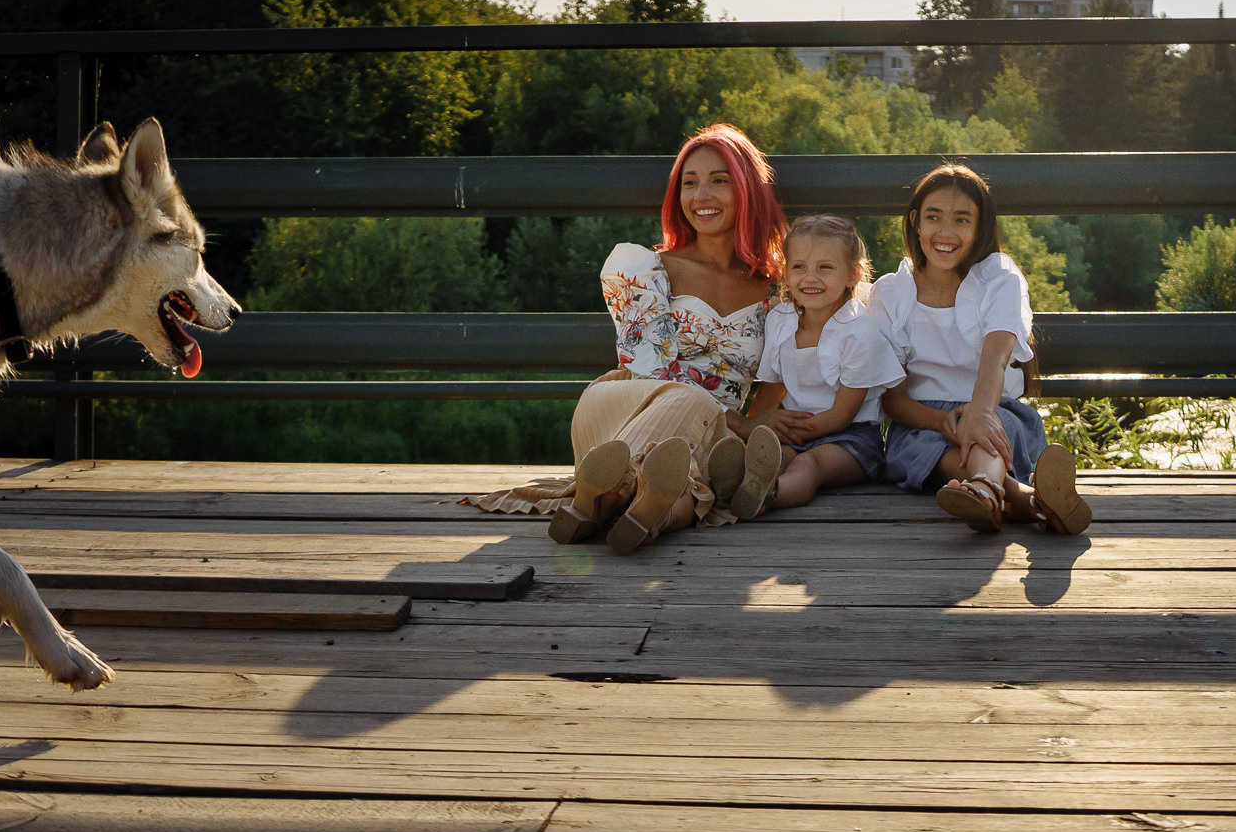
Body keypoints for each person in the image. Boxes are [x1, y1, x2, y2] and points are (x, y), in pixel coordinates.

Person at [467, 123, 804, 553]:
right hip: (623, 407)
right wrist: (741, 423)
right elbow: (649, 367)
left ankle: (626, 507)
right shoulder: (643, 268)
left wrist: (759, 427)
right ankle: (612, 485)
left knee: (706, 467)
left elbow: (775, 380)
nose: (701, 196)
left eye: (720, 181)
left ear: (747, 191)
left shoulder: (776, 288)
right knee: (694, 408)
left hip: (703, 435)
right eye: (689, 183)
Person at [870, 163, 1092, 535]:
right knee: (935, 452)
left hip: (995, 407)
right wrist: (943, 422)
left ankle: (986, 490)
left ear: (979, 228)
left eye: (961, 220)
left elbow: (996, 357)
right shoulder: (890, 293)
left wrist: (978, 415)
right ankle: (1029, 501)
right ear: (915, 222)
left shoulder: (999, 278)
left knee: (984, 437)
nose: (945, 232)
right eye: (933, 218)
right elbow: (892, 399)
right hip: (922, 421)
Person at [722, 215, 906, 519]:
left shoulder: (860, 332)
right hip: (799, 433)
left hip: (852, 439)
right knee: (777, 458)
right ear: (785, 274)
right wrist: (760, 434)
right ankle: (737, 485)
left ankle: (769, 495)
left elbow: (841, 415)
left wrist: (792, 431)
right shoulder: (780, 320)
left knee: (808, 464)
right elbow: (771, 390)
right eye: (799, 267)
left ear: (853, 275)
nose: (810, 278)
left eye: (825, 267)